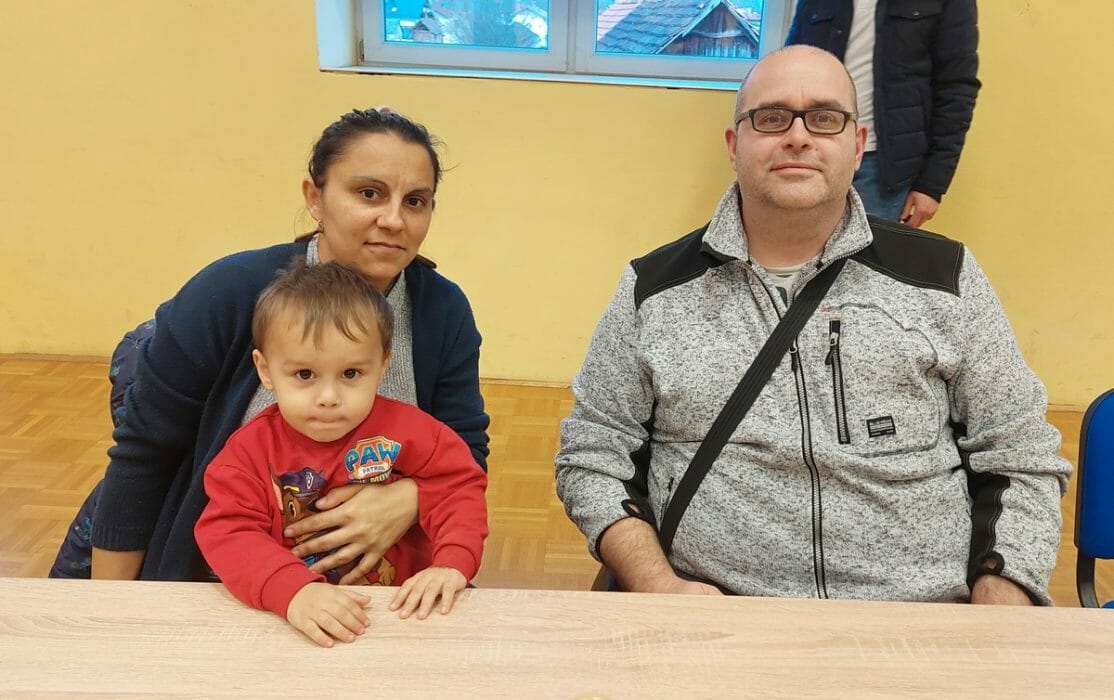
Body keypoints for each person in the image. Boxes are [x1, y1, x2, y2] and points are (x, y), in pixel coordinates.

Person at [555, 46, 1070, 605]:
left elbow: (1018, 453)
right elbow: (593, 456)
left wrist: (1001, 596)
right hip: (716, 615)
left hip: (922, 618)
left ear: (858, 144)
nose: (798, 137)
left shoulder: (944, 276)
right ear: (734, 145)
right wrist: (659, 585)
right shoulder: (653, 290)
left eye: (824, 118)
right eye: (771, 117)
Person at [50, 108, 489, 584]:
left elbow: (464, 452)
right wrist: (115, 606)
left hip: (381, 585)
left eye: (416, 201)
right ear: (315, 198)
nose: (393, 220)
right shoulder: (231, 293)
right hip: (229, 576)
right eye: (369, 193)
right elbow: (144, 458)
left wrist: (411, 498)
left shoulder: (442, 311)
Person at [195, 261, 487, 648]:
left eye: (350, 374)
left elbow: (460, 488)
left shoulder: (416, 432)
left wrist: (452, 564)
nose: (329, 398)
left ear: (382, 365)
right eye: (304, 375)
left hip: (405, 612)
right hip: (295, 621)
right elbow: (227, 532)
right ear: (265, 370)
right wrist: (293, 591)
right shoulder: (246, 454)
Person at [785, 0, 980, 227]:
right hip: (810, 152)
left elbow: (956, 89)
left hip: (879, 169)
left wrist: (931, 184)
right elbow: (789, 66)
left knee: (865, 250)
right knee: (795, 244)